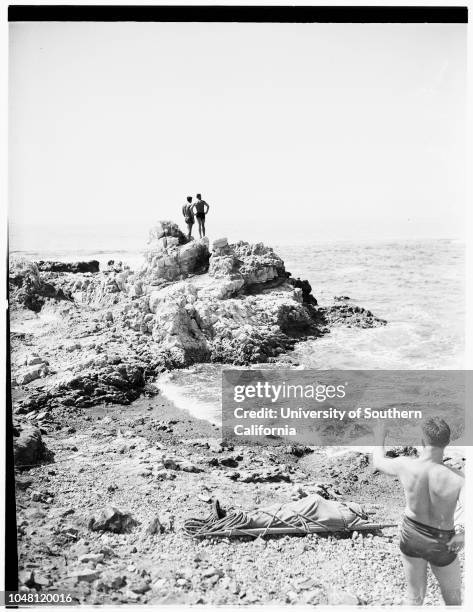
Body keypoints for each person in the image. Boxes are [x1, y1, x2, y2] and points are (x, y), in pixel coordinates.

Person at [373, 417, 464, 605]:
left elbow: (379, 461)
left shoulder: (405, 465)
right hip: (442, 540)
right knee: (453, 599)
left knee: (414, 597)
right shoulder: (458, 479)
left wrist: (379, 437)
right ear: (447, 442)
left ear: (422, 441)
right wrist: (463, 532)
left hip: (411, 534)